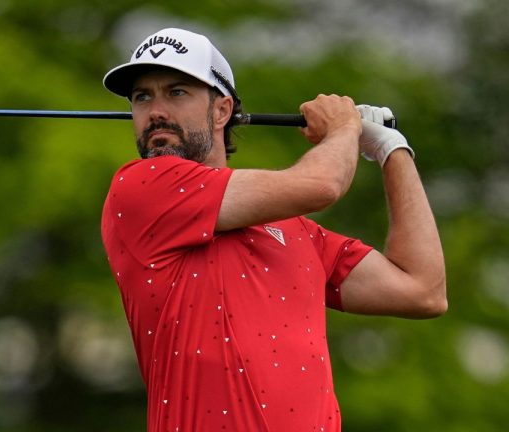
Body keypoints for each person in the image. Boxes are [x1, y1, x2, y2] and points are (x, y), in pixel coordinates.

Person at [99, 28, 447, 431]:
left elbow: (423, 290)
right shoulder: (142, 188)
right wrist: (345, 128)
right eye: (143, 96)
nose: (156, 110)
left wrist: (391, 149)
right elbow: (322, 185)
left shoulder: (298, 233)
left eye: (176, 92)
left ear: (221, 110)